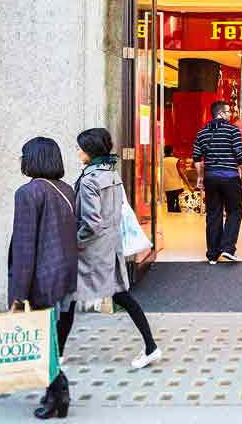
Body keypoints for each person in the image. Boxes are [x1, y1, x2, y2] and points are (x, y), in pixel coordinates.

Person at [64, 128, 161, 371]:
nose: (77, 152)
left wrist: (74, 243)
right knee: (121, 296)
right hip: (112, 246)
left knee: (69, 298)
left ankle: (58, 353)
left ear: (89, 151)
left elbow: (91, 223)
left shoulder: (89, 181)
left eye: (80, 148)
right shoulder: (112, 175)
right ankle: (150, 346)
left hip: (90, 252)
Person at [8, 137, 77, 420]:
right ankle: (55, 394)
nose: (21, 160)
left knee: (42, 340)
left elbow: (25, 247)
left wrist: (18, 294)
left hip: (42, 281)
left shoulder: (28, 193)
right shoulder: (67, 189)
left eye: (24, 155)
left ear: (33, 159)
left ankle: (58, 391)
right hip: (65, 277)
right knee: (51, 341)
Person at [193, 101, 242, 264]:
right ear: (221, 113)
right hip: (230, 177)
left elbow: (196, 158)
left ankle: (212, 254)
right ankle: (227, 248)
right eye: (228, 111)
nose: (231, 114)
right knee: (234, 211)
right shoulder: (232, 130)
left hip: (211, 178)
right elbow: (240, 155)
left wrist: (200, 176)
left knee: (213, 214)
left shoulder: (202, 132)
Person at [163, 145, 185, 213]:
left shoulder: (162, 161)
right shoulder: (176, 160)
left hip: (167, 187)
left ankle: (171, 219)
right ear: (172, 151)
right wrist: (189, 185)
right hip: (177, 186)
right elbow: (181, 174)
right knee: (179, 204)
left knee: (170, 205)